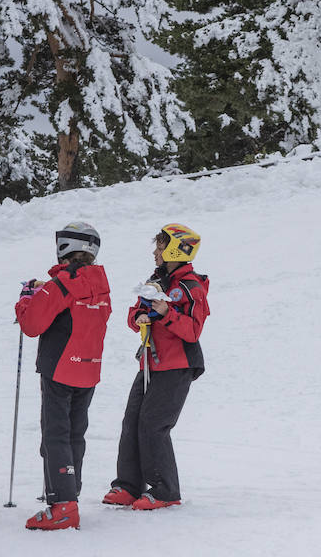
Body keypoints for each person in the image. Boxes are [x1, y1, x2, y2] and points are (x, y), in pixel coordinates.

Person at [104, 224, 210, 511]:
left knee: (154, 425)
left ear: (176, 250)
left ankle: (165, 490)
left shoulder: (191, 287)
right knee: (132, 421)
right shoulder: (156, 280)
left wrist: (165, 313)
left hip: (177, 364)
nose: (155, 252)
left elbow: (192, 331)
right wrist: (139, 315)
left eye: (160, 247)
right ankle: (127, 485)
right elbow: (134, 312)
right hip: (150, 361)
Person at [15, 222, 112, 531]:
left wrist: (26, 298)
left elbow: (32, 325)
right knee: (74, 432)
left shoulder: (60, 284)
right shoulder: (100, 283)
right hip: (88, 367)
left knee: (56, 433)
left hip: (59, 368)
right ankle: (69, 492)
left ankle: (63, 504)